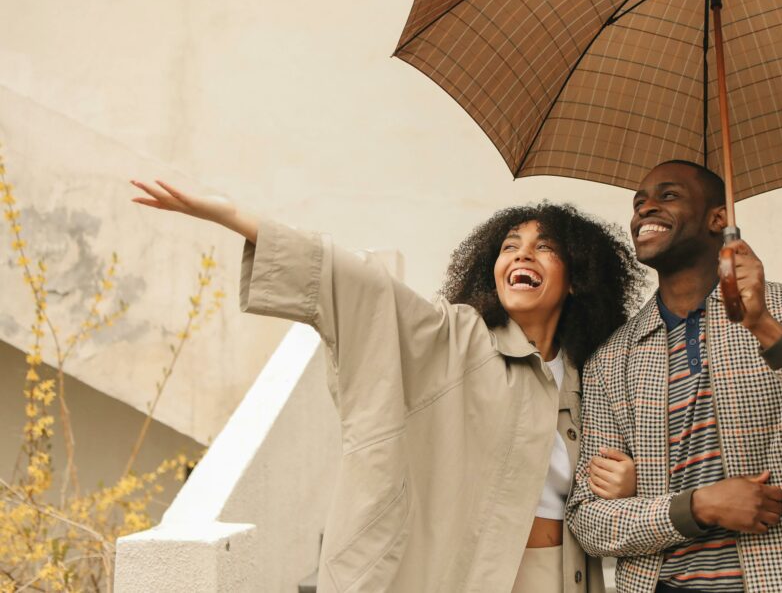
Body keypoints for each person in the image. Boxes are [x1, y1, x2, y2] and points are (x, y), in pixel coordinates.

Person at [130, 180, 645, 593]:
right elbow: (365, 289)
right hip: (482, 574)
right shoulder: (456, 339)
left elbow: (595, 486)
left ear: (577, 278)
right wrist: (236, 217)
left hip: (567, 576)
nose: (521, 256)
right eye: (510, 247)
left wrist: (627, 485)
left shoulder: (591, 374)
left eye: (544, 248)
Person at [566, 161, 782, 593]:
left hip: (780, 583)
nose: (644, 209)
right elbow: (588, 521)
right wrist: (698, 507)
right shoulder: (612, 359)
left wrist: (764, 326)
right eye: (638, 202)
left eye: (667, 196)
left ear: (718, 218)